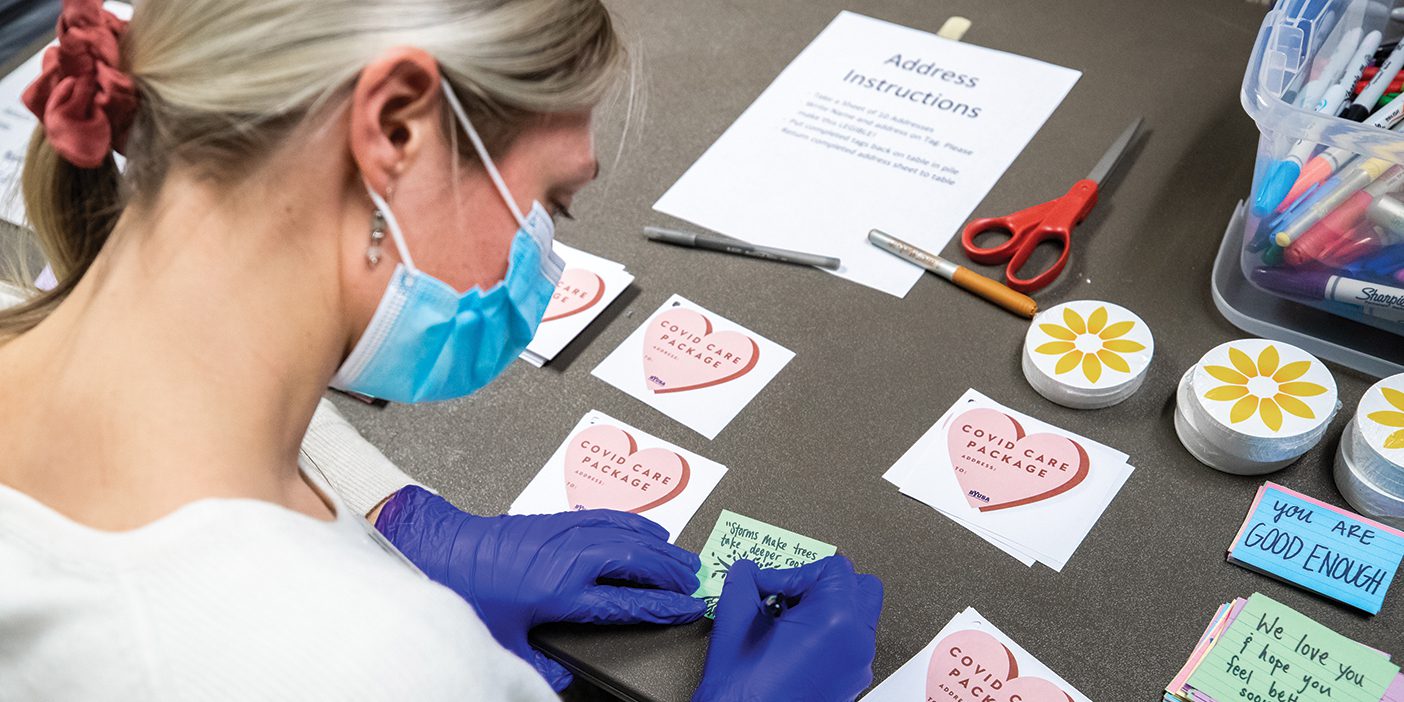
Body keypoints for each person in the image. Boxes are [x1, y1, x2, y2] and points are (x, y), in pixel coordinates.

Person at [0, 0, 884, 700]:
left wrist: (391, 516)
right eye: (552, 202)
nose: (545, 253)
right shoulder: (382, 665)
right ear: (395, 130)